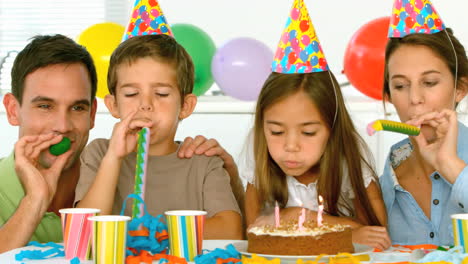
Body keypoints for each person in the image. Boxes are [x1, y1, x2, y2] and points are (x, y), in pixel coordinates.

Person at [75, 34, 243, 239]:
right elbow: (83, 232)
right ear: (113, 105)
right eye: (131, 94)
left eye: (162, 93)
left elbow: (230, 230)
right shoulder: (100, 154)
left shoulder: (203, 162)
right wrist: (113, 158)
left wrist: (151, 232)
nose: (145, 104)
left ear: (186, 106)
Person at [0, 34, 98, 252]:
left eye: (77, 108)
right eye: (45, 106)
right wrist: (34, 201)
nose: (63, 126)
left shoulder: (116, 183)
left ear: (92, 114)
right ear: (13, 110)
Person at [380, 27, 468, 245]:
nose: (415, 98)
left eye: (429, 83)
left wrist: (451, 167)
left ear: (460, 88)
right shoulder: (381, 185)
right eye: (400, 86)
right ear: (389, 96)